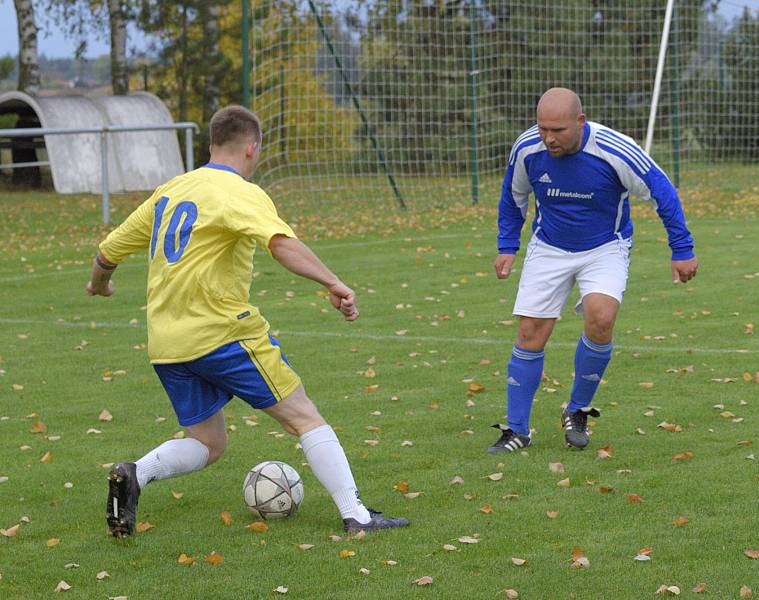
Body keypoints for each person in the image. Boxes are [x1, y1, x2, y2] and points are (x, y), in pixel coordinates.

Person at [86, 105, 409, 536]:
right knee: (305, 417)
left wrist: (100, 285)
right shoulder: (237, 191)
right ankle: (358, 515)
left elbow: (108, 251)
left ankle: (134, 473)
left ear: (211, 144)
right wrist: (333, 282)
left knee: (208, 443)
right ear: (252, 149)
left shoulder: (170, 190)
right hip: (221, 333)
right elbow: (280, 244)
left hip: (167, 343)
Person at [487, 87, 697, 453]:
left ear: (580, 122)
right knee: (530, 331)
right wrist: (507, 245)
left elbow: (662, 191)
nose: (548, 138)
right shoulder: (527, 149)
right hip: (549, 246)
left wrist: (682, 248)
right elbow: (513, 196)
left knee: (601, 318)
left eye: (558, 130)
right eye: (542, 129)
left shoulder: (615, 150)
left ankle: (577, 409)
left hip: (605, 246)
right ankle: (517, 431)